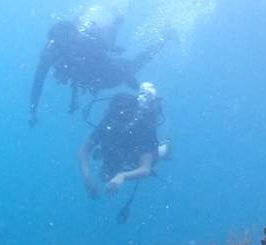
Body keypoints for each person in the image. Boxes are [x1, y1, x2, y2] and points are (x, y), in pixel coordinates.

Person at [28, 5, 167, 126]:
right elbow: (37, 82)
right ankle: (121, 20)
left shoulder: (85, 41)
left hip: (111, 76)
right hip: (94, 79)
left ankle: (163, 38)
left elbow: (109, 59)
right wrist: (33, 109)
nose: (71, 43)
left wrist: (130, 79)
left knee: (135, 63)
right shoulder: (48, 53)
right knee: (130, 59)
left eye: (71, 38)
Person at [78, 82, 169, 199]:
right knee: (105, 175)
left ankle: (165, 147)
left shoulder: (143, 129)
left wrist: (123, 176)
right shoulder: (109, 122)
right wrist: (87, 177)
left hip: (137, 156)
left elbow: (145, 169)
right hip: (118, 153)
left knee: (160, 154)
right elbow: (84, 151)